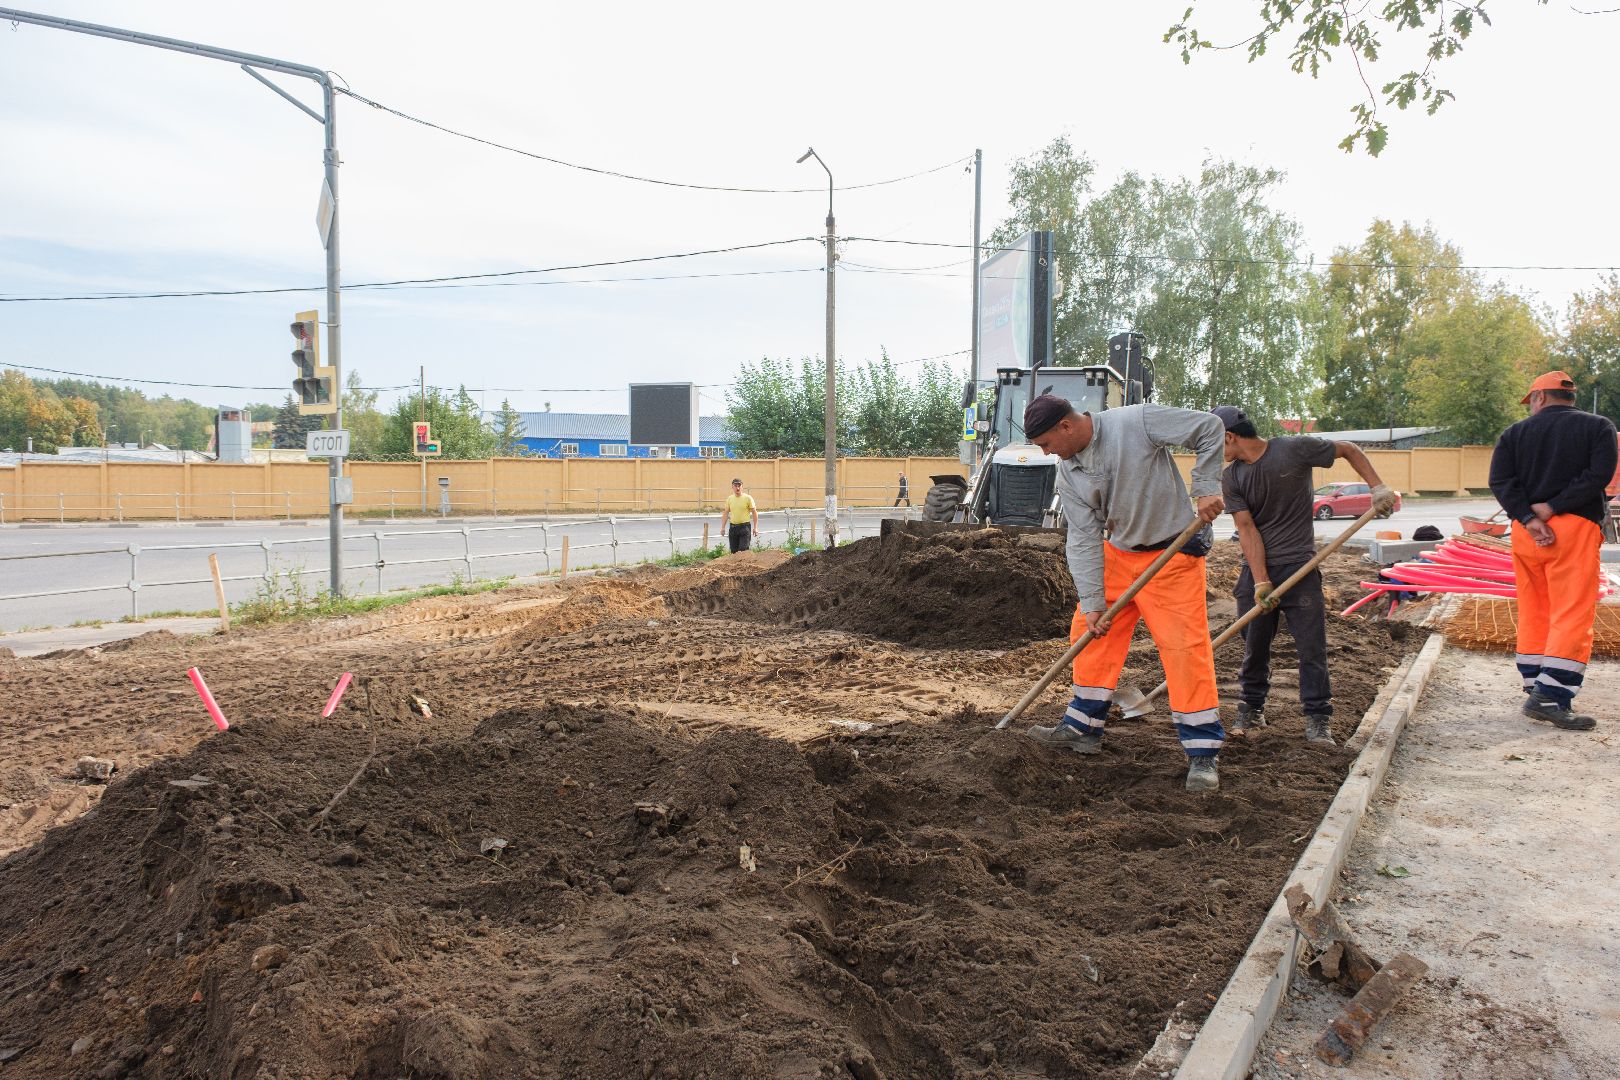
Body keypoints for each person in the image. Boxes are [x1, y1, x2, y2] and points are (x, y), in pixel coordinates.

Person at [1021, 393, 1229, 792]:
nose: (1048, 453)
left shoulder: (1138, 421)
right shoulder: (1069, 473)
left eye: (1047, 443)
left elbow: (1208, 428)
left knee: (1184, 649)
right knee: (1089, 632)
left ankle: (1202, 753)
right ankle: (1083, 727)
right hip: (1119, 554)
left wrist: (1205, 487)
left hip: (1171, 557)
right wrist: (1096, 604)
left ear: (1065, 426)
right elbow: (1082, 538)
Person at [1213, 406, 1396, 744]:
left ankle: (1318, 718)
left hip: (1301, 567)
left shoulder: (1293, 449)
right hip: (1257, 572)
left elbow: (1348, 449)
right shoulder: (1232, 477)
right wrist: (1262, 580)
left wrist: (1378, 487)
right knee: (1254, 646)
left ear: (1229, 436)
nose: (1212, 450)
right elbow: (1246, 528)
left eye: (1213, 441)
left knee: (1311, 650)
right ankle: (1252, 708)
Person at [1488, 370, 1617, 731]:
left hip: (1526, 534)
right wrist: (1554, 507)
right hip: (1575, 528)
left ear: (1539, 398)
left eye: (1529, 401)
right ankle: (1550, 695)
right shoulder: (1599, 427)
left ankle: (1535, 683)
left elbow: (1500, 480)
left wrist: (1530, 517)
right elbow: (1599, 476)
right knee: (1572, 610)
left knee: (1535, 607)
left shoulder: (1514, 434)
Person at [719, 478, 758, 554]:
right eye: (735, 486)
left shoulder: (748, 498)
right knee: (734, 552)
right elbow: (726, 513)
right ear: (732, 487)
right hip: (733, 528)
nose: (737, 488)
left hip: (744, 527)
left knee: (743, 551)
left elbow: (754, 512)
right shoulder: (730, 499)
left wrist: (755, 527)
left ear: (742, 487)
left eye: (739, 486)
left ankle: (744, 565)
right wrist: (723, 527)